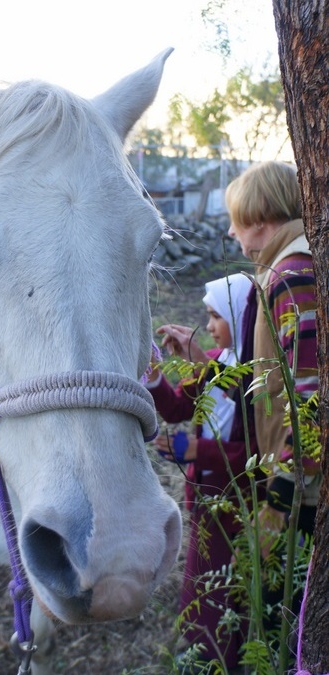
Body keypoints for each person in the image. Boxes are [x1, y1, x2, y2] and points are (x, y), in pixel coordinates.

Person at [225, 161, 320, 636]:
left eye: (237, 221)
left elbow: (311, 397)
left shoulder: (292, 276)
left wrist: (283, 498)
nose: (231, 232)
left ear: (260, 219)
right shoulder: (290, 271)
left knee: (285, 622)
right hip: (297, 481)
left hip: (303, 494)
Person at [146, 273, 257, 672]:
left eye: (215, 317)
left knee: (229, 597)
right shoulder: (214, 363)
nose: (208, 327)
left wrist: (195, 450)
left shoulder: (257, 381)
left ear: (241, 317)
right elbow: (178, 408)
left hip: (241, 509)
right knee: (203, 592)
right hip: (207, 503)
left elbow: (256, 452)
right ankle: (206, 657)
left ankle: (217, 661)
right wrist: (156, 374)